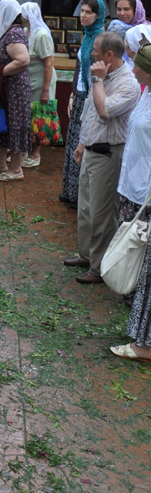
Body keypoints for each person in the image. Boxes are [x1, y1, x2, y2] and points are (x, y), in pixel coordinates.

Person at [66, 30, 140, 285]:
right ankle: (86, 255)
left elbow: (104, 110)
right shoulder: (102, 76)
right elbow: (89, 113)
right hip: (91, 149)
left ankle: (98, 268)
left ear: (109, 54)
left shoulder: (128, 84)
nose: (91, 54)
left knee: (102, 213)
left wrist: (97, 80)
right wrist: (82, 143)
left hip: (109, 154)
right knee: (85, 208)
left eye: (95, 51)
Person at [111, 45, 151, 361]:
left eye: (138, 66)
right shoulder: (145, 92)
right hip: (133, 182)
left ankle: (145, 342)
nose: (133, 69)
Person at [60, 0, 106, 206]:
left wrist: (90, 96)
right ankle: (70, 191)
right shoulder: (87, 35)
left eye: (89, 12)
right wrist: (72, 95)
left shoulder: (100, 40)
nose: (83, 15)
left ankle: (79, 196)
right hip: (79, 95)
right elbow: (79, 70)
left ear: (98, 15)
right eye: (83, 11)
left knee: (83, 143)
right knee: (73, 142)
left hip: (91, 97)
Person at [0, 0, 31, 182]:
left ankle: (16, 169)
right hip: (3, 89)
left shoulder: (14, 33)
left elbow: (23, 60)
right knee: (1, 123)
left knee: (14, 124)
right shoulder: (6, 31)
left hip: (13, 90)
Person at [19, 2, 58, 168]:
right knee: (29, 117)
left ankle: (35, 154)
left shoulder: (41, 35)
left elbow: (48, 63)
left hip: (42, 82)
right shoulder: (27, 31)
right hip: (31, 81)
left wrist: (45, 90)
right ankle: (25, 151)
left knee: (40, 117)